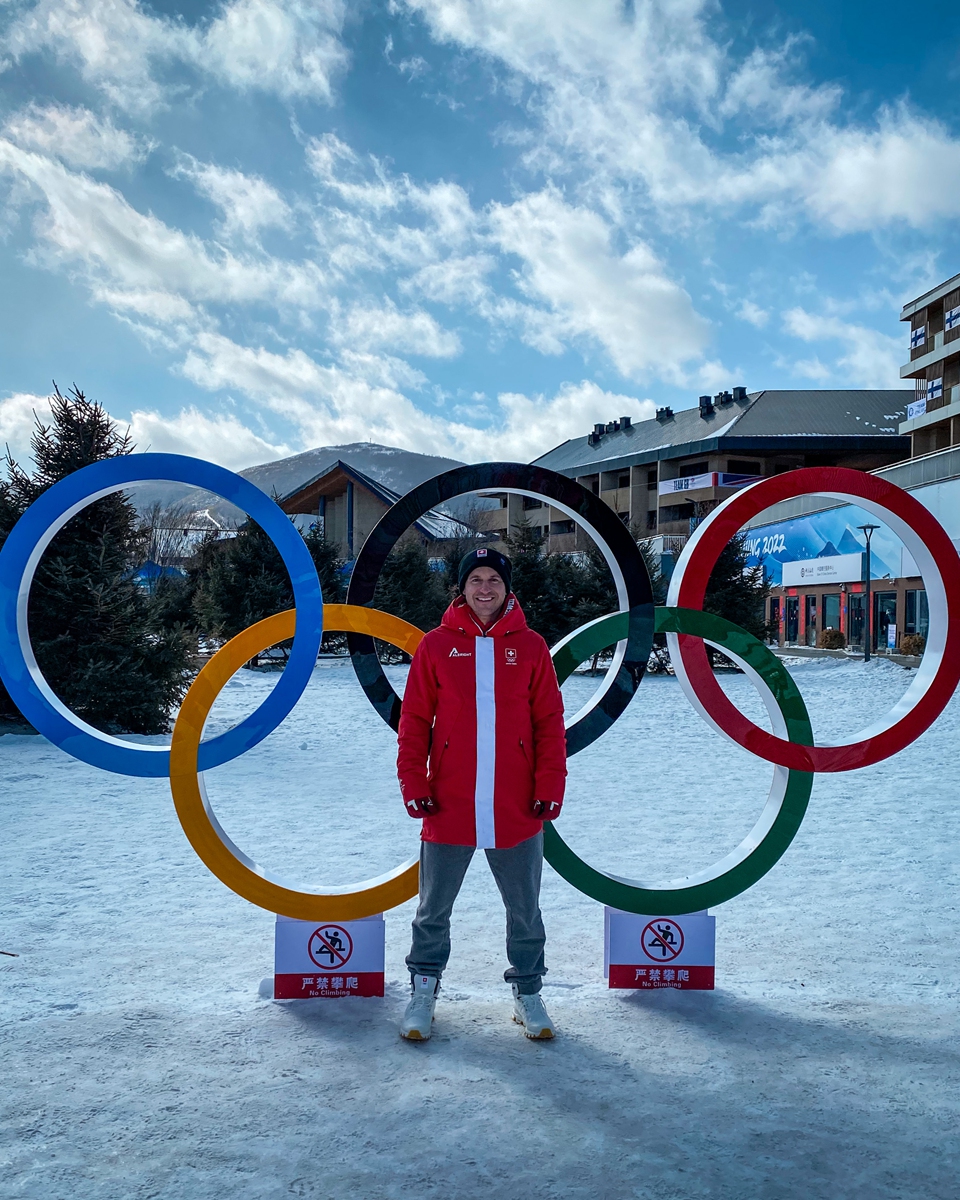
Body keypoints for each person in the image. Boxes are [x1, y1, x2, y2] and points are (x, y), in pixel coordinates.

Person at [396, 547, 567, 1041]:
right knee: (433, 909)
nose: (485, 588)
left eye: (494, 579)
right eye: (476, 579)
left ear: (507, 588)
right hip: (448, 803)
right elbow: (414, 724)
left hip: (515, 805)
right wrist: (414, 783)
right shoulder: (435, 645)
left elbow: (549, 726)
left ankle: (528, 993)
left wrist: (549, 786)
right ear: (461, 588)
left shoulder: (532, 647)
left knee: (525, 910)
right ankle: (423, 992)